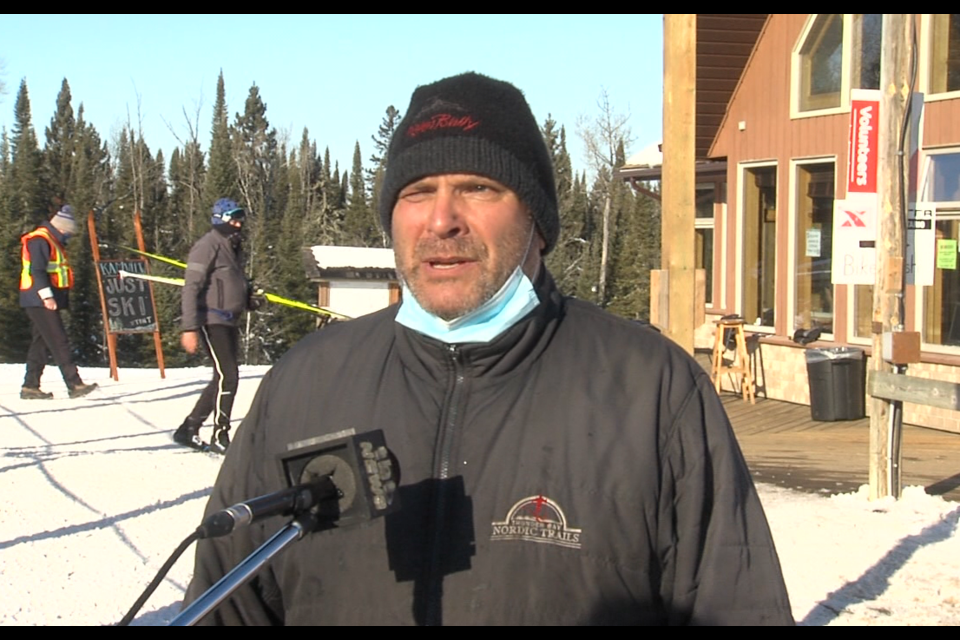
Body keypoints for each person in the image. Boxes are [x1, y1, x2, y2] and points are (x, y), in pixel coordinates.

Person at [184, 72, 794, 625]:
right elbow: (226, 607)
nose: (442, 220)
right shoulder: (305, 384)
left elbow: (737, 607)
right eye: (418, 191)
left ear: (537, 220)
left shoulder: (649, 391)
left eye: (478, 187)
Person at [173, 198, 257, 455]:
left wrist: (249, 298)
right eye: (233, 219)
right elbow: (191, 287)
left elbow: (231, 282)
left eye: (240, 218)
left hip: (229, 319)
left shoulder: (233, 246)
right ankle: (221, 434)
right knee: (228, 375)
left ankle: (188, 429)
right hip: (211, 319)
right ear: (220, 219)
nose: (239, 223)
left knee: (222, 377)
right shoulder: (207, 245)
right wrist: (189, 328)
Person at [19, 205, 98, 400]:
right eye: (68, 233)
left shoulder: (51, 240)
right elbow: (36, 271)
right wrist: (47, 297)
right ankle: (74, 384)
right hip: (39, 299)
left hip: (43, 299)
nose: (68, 237)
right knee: (58, 340)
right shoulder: (39, 240)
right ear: (61, 228)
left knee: (41, 343)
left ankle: (30, 386)